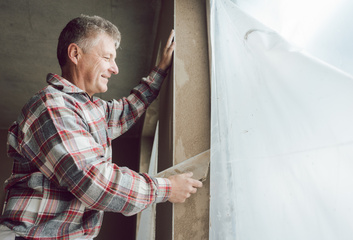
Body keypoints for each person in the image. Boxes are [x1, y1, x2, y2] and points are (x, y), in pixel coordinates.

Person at [0, 15, 202, 240]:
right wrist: (166, 188)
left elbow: (128, 110)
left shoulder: (89, 109)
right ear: (75, 54)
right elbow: (94, 181)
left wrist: (161, 70)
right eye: (107, 57)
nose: (115, 69)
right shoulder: (52, 106)